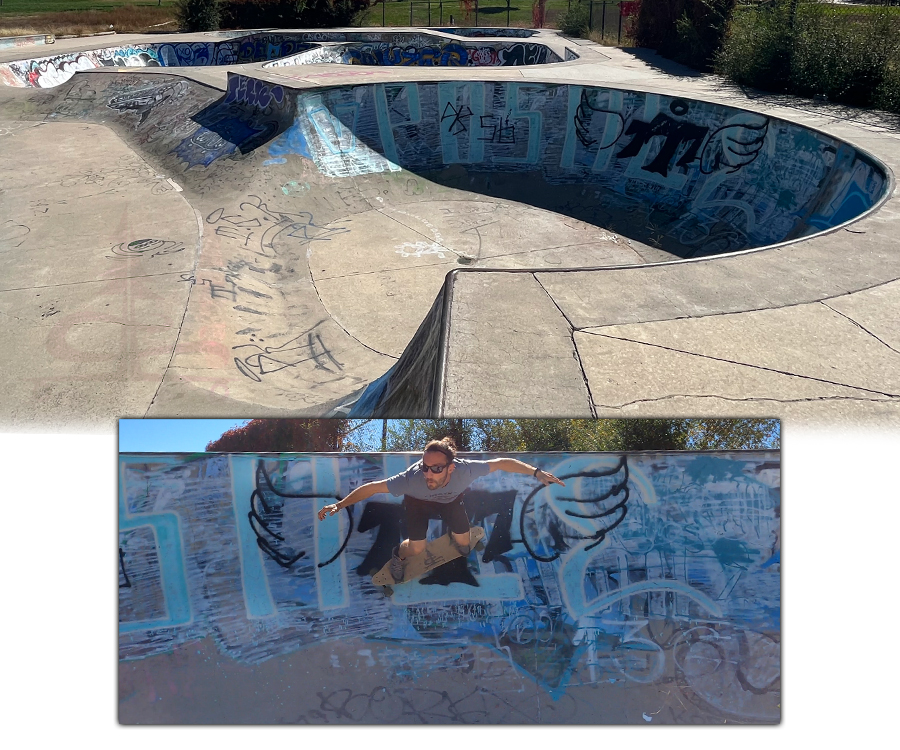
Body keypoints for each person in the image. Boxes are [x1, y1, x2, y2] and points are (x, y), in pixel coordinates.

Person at [317, 437, 565, 582]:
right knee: (416, 548)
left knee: (464, 543)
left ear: (451, 467)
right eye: (425, 467)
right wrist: (339, 505)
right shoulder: (411, 479)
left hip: (451, 501)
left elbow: (501, 463)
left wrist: (536, 472)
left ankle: (462, 541)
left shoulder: (466, 469)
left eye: (436, 469)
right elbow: (372, 488)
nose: (428, 474)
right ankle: (398, 557)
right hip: (418, 504)